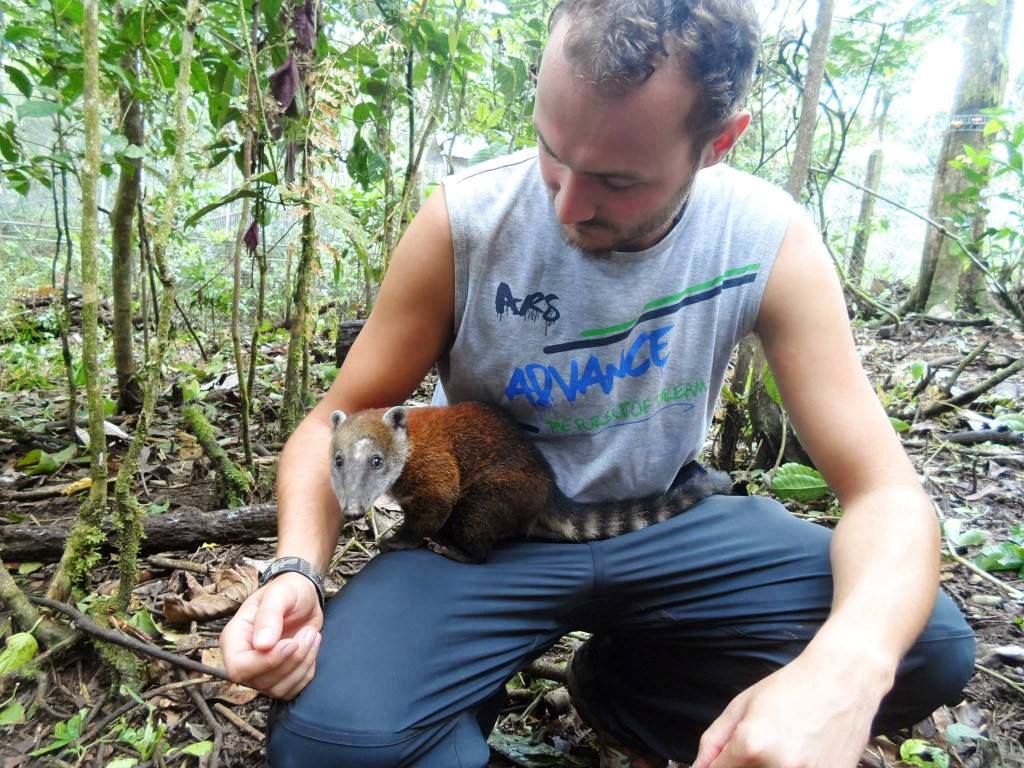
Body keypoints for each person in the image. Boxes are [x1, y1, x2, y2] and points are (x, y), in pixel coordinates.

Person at [219, 1, 976, 766]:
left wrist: (842, 673)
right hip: (491, 527)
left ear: (718, 144)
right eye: (551, 149)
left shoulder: (766, 240)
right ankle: (456, 693)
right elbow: (333, 427)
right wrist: (297, 571)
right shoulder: (467, 220)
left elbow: (887, 495)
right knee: (330, 743)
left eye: (617, 181)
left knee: (926, 645)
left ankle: (632, 692)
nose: (568, 203)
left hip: (665, 522)